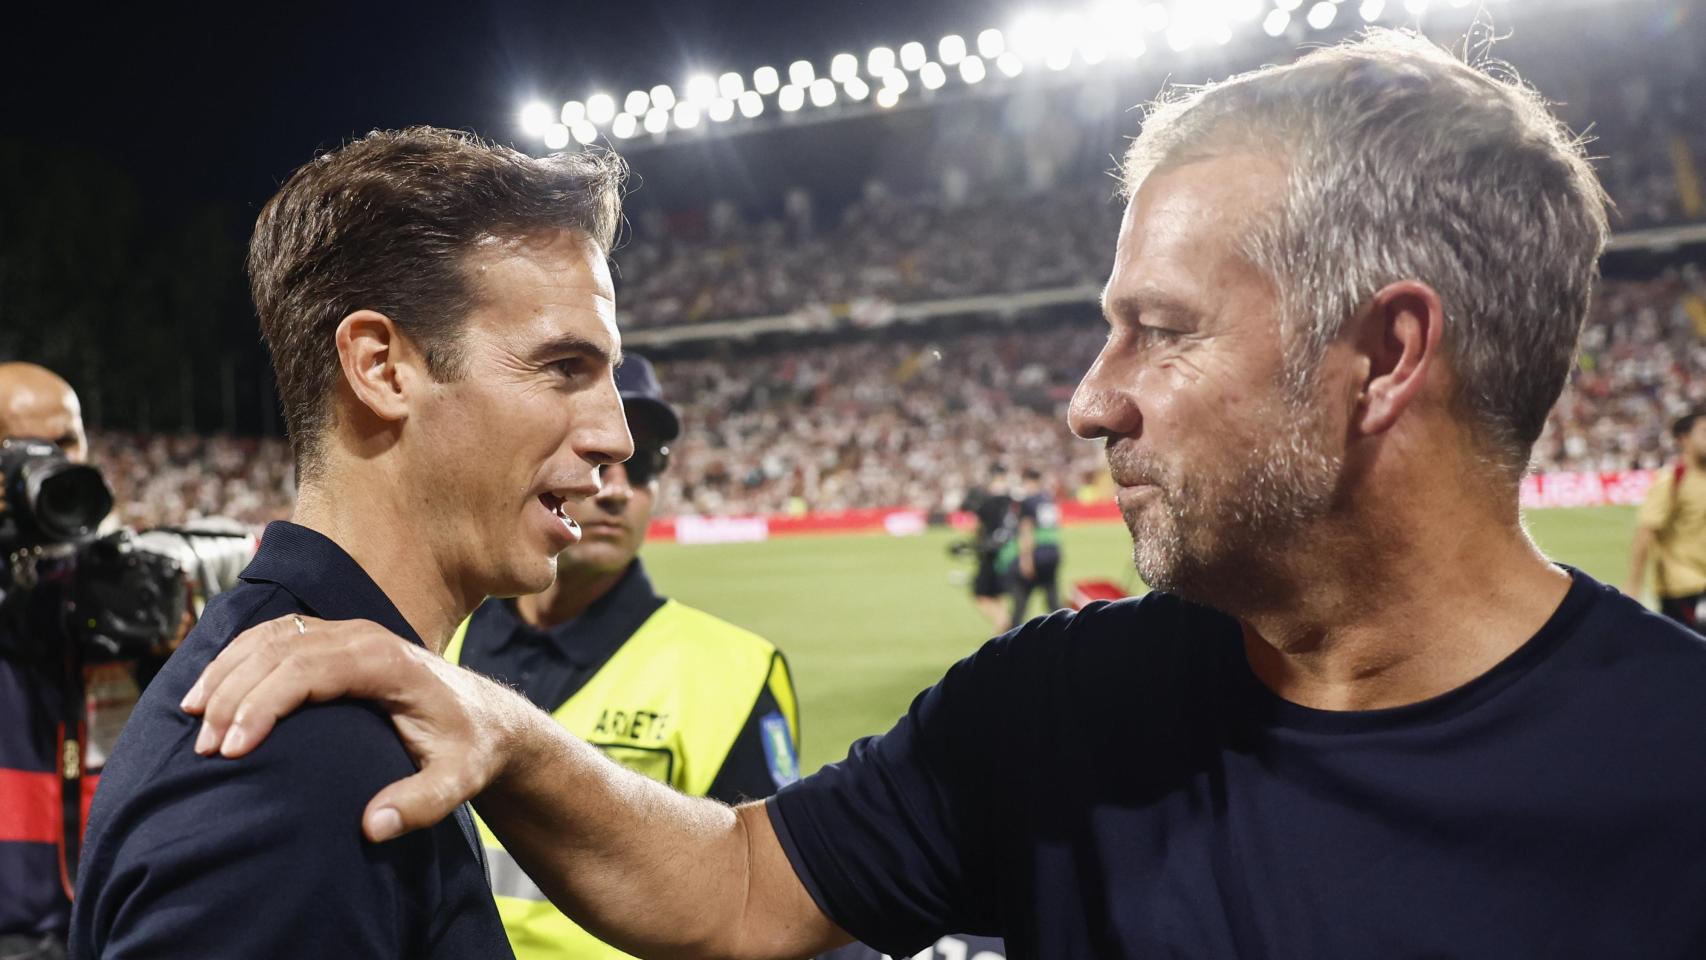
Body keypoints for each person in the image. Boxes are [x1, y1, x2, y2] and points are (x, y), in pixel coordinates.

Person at [183, 31, 1706, 957]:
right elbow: (737, 892)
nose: (1086, 396)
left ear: (1382, 356)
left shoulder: (1670, 777)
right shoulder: (1059, 705)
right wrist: (498, 725)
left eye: (1158, 331)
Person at [69, 127, 633, 958]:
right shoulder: (296, 762)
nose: (615, 435)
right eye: (562, 368)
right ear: (381, 367)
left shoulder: (342, 707)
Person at [453, 352, 801, 960]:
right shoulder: (434, 637)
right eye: (594, 456)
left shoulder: (735, 672)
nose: (615, 490)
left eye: (644, 465)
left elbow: (762, 912)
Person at [0, 363, 90, 960]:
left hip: (111, 927)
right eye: (22, 449)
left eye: (66, 441)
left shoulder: (122, 589)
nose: (55, 464)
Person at [1625, 408, 1706, 631]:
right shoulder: (1672, 480)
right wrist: (1633, 585)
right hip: (1685, 590)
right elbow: (1646, 532)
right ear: (1684, 439)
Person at [998, 467, 1062, 624]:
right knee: (1053, 599)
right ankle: (1067, 633)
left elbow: (1027, 529)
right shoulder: (1048, 499)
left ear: (1027, 481)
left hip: (1037, 553)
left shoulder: (1028, 501)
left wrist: (1026, 558)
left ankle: (1012, 636)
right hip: (1053, 551)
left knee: (1021, 597)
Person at [959, 464, 1014, 630]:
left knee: (981, 594)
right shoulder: (1013, 498)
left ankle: (1004, 625)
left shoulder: (988, 500)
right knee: (997, 594)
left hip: (990, 553)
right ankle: (1005, 628)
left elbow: (969, 510)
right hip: (1008, 553)